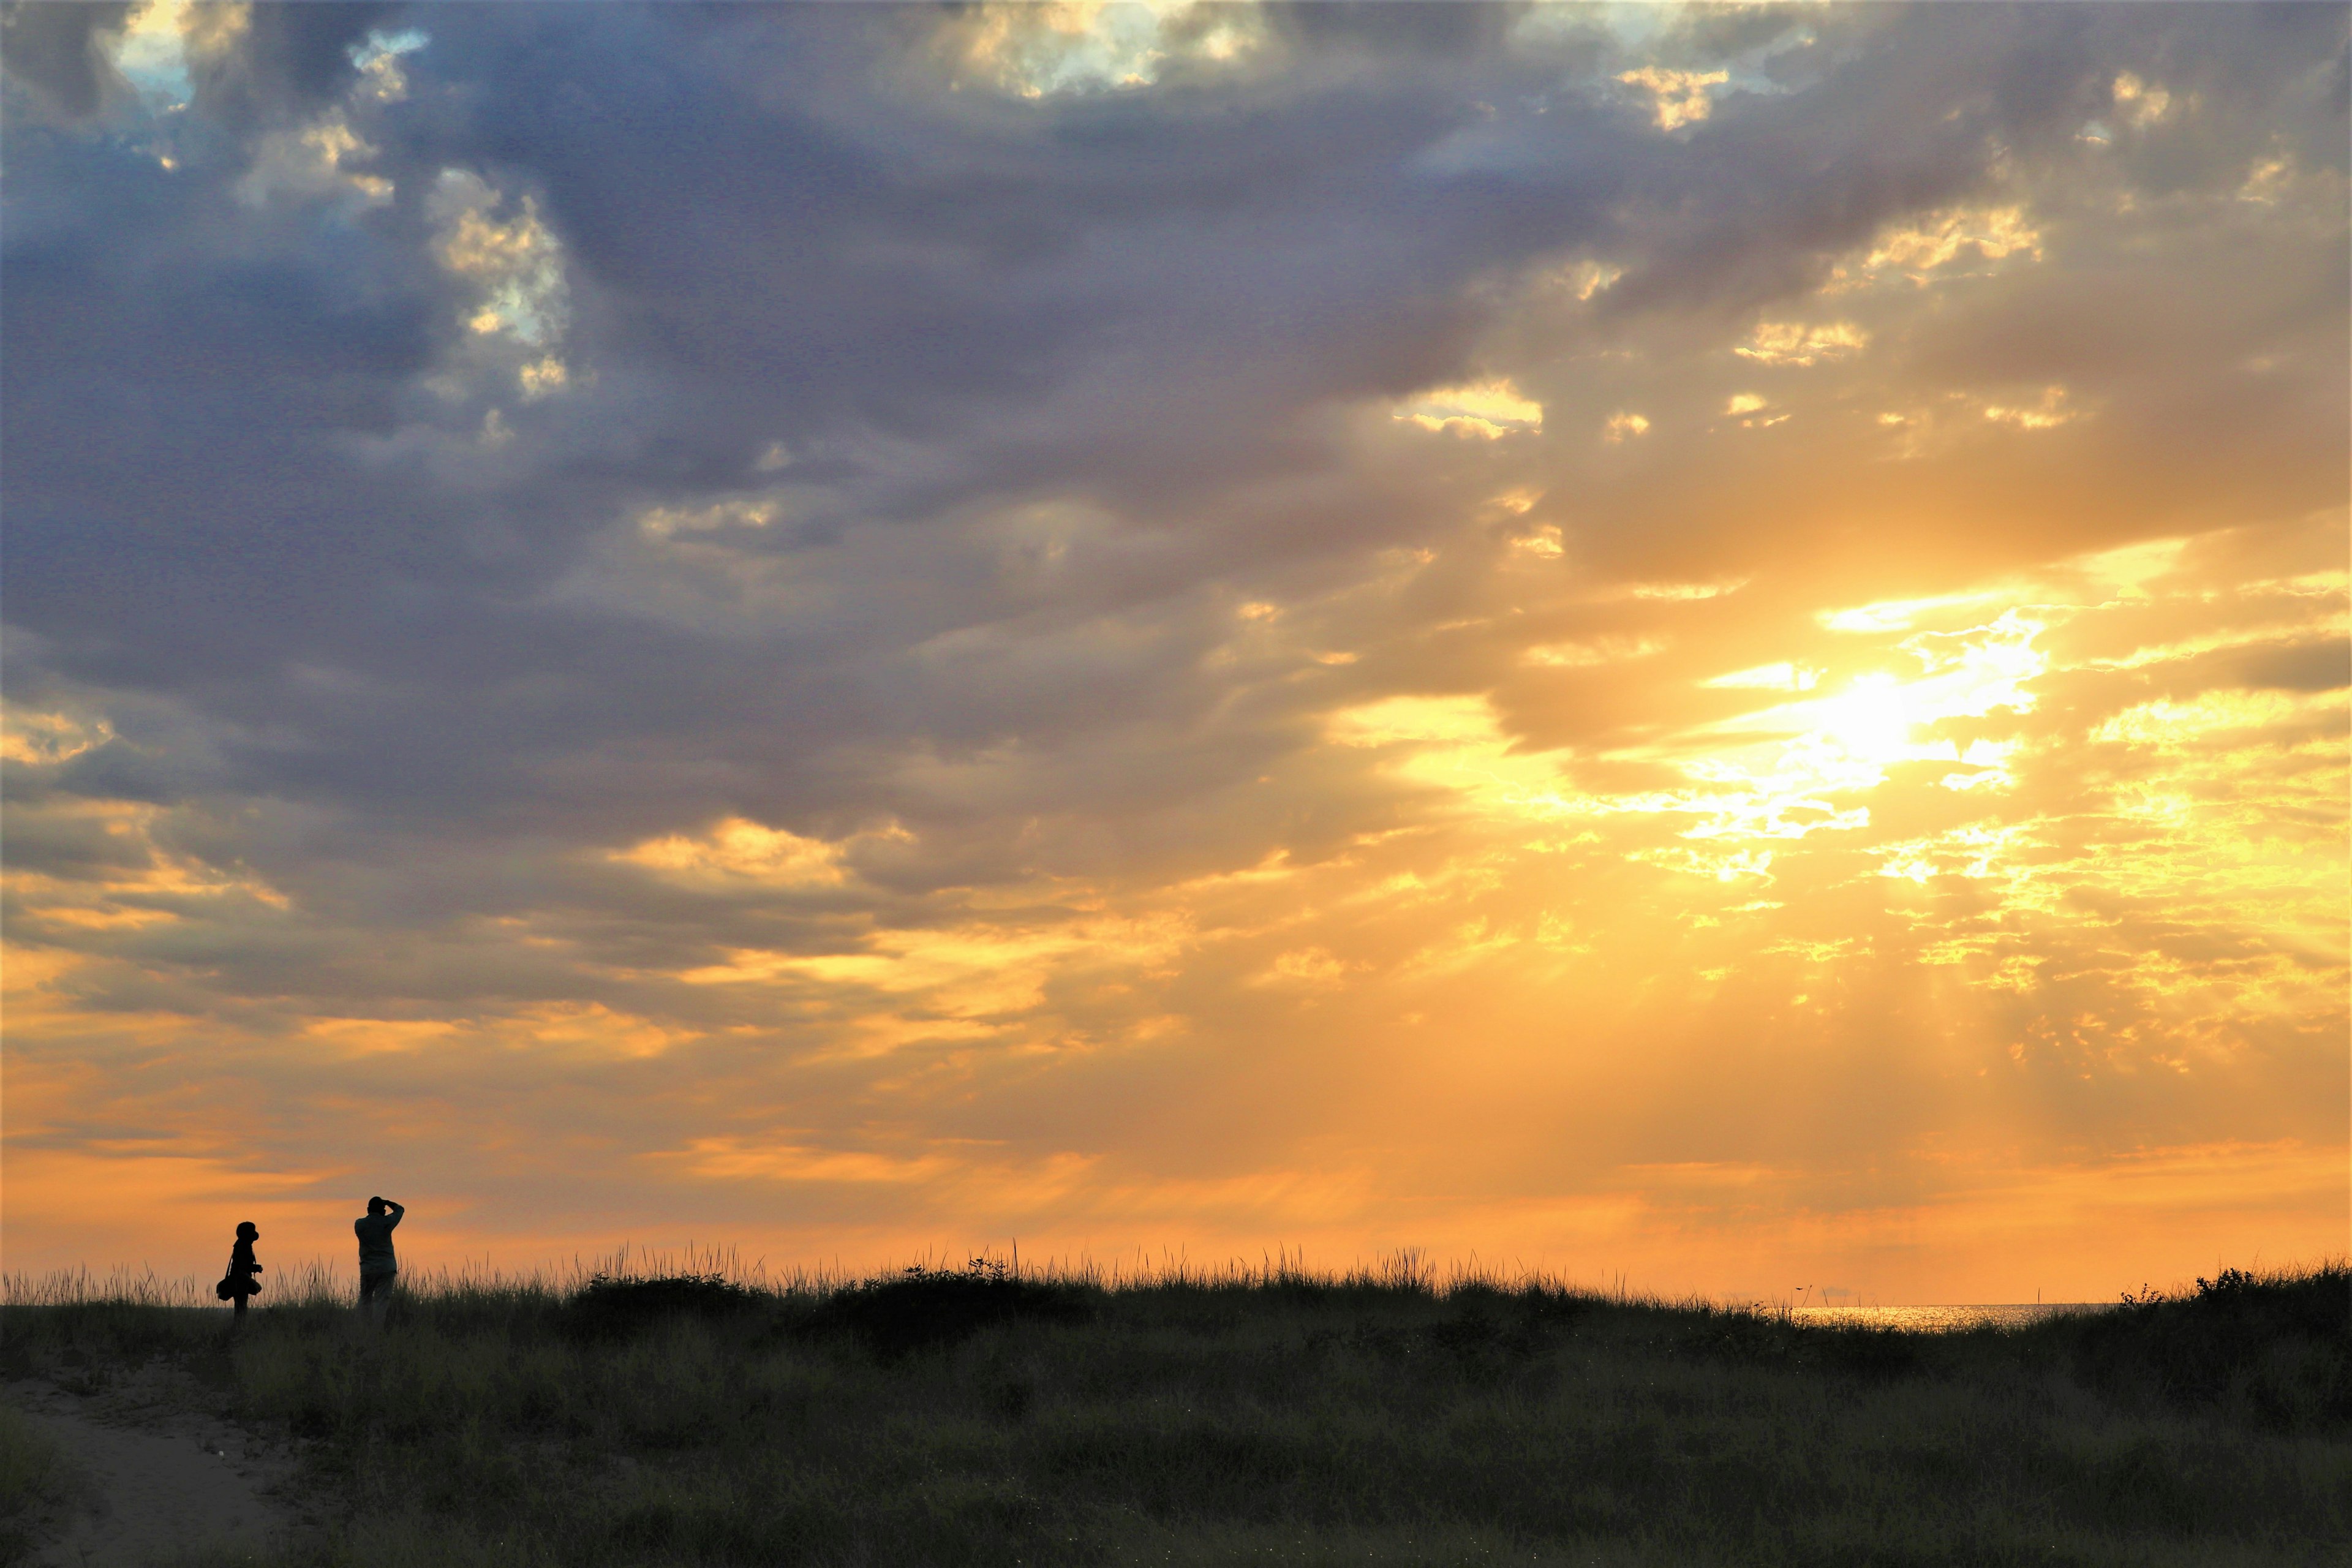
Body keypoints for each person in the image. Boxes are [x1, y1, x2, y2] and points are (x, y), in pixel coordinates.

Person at [355, 1196, 404, 1325]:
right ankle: (377, 1328)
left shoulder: (359, 1225)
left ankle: (362, 1326)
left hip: (367, 1269)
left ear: (368, 1209)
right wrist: (388, 1203)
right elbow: (400, 1210)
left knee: (365, 1299)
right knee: (381, 1300)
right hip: (386, 1268)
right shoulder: (386, 1222)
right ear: (383, 1211)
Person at [219, 1221, 263, 1321]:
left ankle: (239, 1325)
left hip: (239, 1279)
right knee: (241, 1306)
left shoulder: (240, 1244)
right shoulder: (244, 1246)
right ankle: (240, 1326)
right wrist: (256, 1268)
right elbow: (243, 1265)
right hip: (241, 1279)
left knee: (240, 1306)